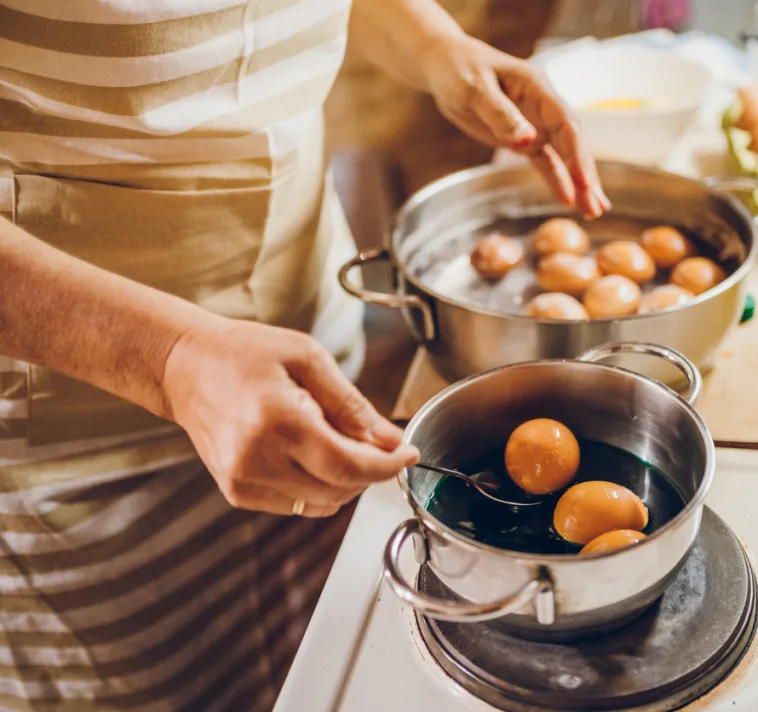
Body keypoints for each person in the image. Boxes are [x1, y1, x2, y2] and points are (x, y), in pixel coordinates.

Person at [0, 1, 608, 709]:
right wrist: (168, 355)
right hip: (89, 435)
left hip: (311, 362)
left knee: (321, 667)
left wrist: (436, 46)